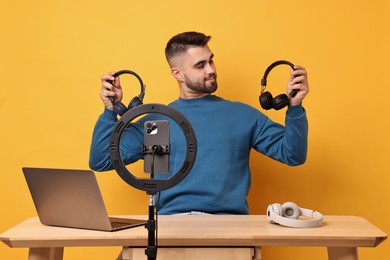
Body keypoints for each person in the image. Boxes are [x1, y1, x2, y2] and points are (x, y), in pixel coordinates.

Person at [89, 31, 309, 215]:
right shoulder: (159, 123)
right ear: (178, 74)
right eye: (200, 65)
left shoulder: (241, 115)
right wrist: (110, 111)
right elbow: (101, 161)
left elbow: (292, 155)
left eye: (211, 60)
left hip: (229, 227)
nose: (211, 69)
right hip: (170, 226)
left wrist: (295, 107)